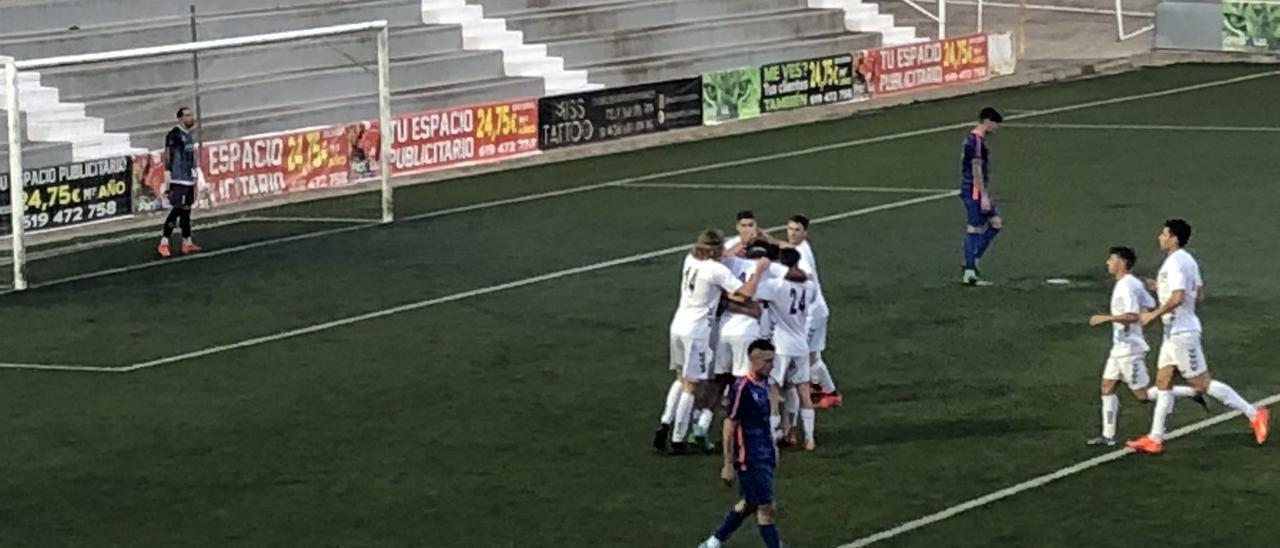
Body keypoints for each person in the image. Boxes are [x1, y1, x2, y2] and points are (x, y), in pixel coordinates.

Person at [1127, 220, 1269, 454]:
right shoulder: (1186, 261)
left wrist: (1152, 314)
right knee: (1163, 382)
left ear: (1174, 238)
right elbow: (1198, 293)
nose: (1160, 238)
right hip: (1173, 333)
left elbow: (1178, 298)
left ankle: (1255, 413)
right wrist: (1158, 287)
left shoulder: (1176, 262)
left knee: (1201, 383)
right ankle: (1155, 438)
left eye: (1164, 234)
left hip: (1182, 334)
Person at [655, 229, 766, 454]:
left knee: (679, 377)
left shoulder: (691, 258)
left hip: (678, 323)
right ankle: (678, 438)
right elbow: (744, 293)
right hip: (696, 330)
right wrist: (758, 272)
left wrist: (735, 248)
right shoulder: (716, 270)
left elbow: (721, 258)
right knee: (691, 384)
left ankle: (665, 421)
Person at [1087, 246, 1204, 446]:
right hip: (1119, 348)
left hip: (1130, 350)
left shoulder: (1126, 286)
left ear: (1122, 262)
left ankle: (1191, 392)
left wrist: (1106, 318)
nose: (1108, 262)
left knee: (1144, 395)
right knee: (1107, 386)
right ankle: (1108, 437)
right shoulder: (1130, 283)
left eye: (1111, 259)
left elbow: (1133, 316)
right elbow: (1149, 304)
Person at [698, 339, 784, 548]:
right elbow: (729, 425)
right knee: (766, 508)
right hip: (750, 457)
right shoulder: (742, 387)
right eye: (768, 361)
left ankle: (713, 542)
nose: (772, 365)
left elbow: (764, 422)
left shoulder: (764, 384)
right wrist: (728, 464)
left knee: (749, 503)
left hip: (764, 453)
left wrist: (773, 447)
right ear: (754, 361)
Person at [752, 248, 818, 451]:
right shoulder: (810, 286)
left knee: (773, 390)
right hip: (801, 344)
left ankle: (772, 436)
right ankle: (808, 438)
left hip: (781, 345)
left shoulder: (775, 286)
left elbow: (752, 294)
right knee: (802, 390)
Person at [786, 214, 842, 408]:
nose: (792, 233)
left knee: (807, 356)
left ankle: (829, 392)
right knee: (813, 355)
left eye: (797, 230)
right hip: (816, 311)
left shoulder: (801, 255)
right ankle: (823, 390)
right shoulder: (800, 247)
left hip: (813, 313)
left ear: (805, 232)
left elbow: (807, 276)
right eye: (790, 229)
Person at [960, 107, 1003, 286]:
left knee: (996, 223)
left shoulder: (973, 138)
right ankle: (969, 270)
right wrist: (983, 195)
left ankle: (974, 258)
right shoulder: (976, 141)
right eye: (995, 124)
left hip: (974, 188)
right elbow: (976, 168)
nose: (996, 128)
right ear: (987, 121)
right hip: (974, 190)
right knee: (974, 228)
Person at [158, 107, 201, 257]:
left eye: (191, 115)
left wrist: (195, 173)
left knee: (186, 211)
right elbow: (168, 155)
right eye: (187, 115)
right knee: (177, 209)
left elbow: (191, 157)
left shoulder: (188, 135)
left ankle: (186, 242)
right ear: (180, 118)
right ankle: (164, 242)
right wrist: (168, 175)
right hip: (178, 179)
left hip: (188, 178)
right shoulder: (174, 135)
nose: (191, 118)